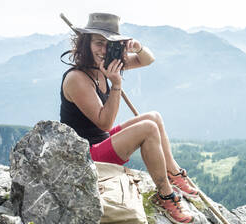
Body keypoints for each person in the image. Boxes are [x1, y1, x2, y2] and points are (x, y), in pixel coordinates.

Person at [60, 13, 198, 223]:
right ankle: (165, 195)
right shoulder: (77, 79)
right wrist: (116, 84)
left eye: (109, 44)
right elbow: (104, 122)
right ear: (86, 43)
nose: (104, 50)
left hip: (99, 141)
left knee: (154, 117)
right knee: (148, 129)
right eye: (99, 43)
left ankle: (174, 173)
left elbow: (147, 60)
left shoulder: (104, 65)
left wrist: (138, 48)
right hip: (85, 156)